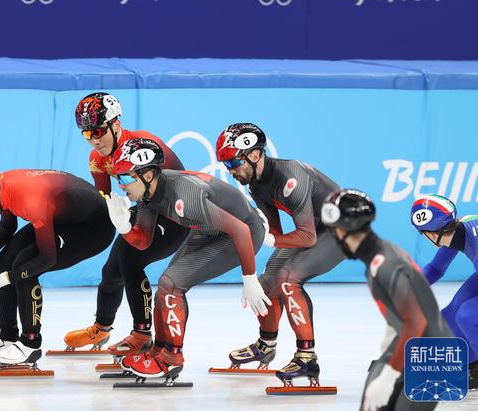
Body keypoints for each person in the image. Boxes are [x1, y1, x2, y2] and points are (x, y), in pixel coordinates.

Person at [105, 137, 271, 378]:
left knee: (172, 285)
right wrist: (124, 228)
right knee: (166, 284)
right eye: (118, 177)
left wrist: (250, 278)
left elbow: (241, 230)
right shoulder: (147, 196)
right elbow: (143, 241)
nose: (121, 185)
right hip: (210, 229)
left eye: (126, 177)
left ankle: (171, 358)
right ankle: (159, 350)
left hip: (241, 232)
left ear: (148, 175)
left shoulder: (184, 197)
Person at [215, 123, 345, 384]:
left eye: (233, 164)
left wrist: (272, 239)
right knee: (267, 284)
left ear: (254, 155)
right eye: (226, 165)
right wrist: (252, 277)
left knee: (288, 280)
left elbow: (306, 236)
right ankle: (266, 345)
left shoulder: (289, 177)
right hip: (317, 227)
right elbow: (273, 231)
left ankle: (307, 358)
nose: (231, 172)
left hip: (343, 231)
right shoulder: (255, 182)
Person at [64, 92, 190, 357]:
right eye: (87, 134)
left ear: (116, 125)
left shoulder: (144, 144)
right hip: (146, 207)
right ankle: (102, 327)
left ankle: (142, 335)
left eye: (98, 130)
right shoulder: (97, 160)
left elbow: (175, 188)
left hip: (177, 213)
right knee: (111, 269)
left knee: (130, 259)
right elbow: (108, 202)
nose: (94, 140)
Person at [0, 159, 114, 364]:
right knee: (1, 264)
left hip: (94, 228)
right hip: (63, 216)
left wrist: (6, 279)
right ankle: (8, 338)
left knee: (26, 264)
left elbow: (47, 258)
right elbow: (8, 225)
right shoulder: (4, 186)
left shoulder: (31, 200)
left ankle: (30, 343)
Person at [322, 189, 450, 411]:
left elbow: (416, 321)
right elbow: (405, 310)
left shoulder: (384, 264)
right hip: (412, 344)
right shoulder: (379, 254)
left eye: (332, 231)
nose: (332, 237)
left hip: (430, 355)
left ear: (343, 230)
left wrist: (390, 374)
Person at [410, 194, 478, 389]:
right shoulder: (458, 229)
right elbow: (435, 269)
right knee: (449, 317)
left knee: (468, 316)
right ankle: (472, 363)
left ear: (430, 233)